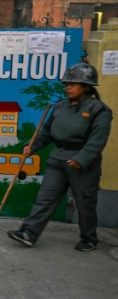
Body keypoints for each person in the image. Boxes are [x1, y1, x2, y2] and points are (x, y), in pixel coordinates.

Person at [8, 62, 112, 252]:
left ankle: (89, 238)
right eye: (66, 84)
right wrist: (32, 146)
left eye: (73, 84)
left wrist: (81, 159)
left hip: (81, 161)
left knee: (84, 202)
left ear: (86, 86)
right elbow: (46, 132)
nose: (68, 88)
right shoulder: (59, 107)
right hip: (58, 158)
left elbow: (98, 140)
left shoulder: (99, 110)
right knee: (45, 198)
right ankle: (29, 233)